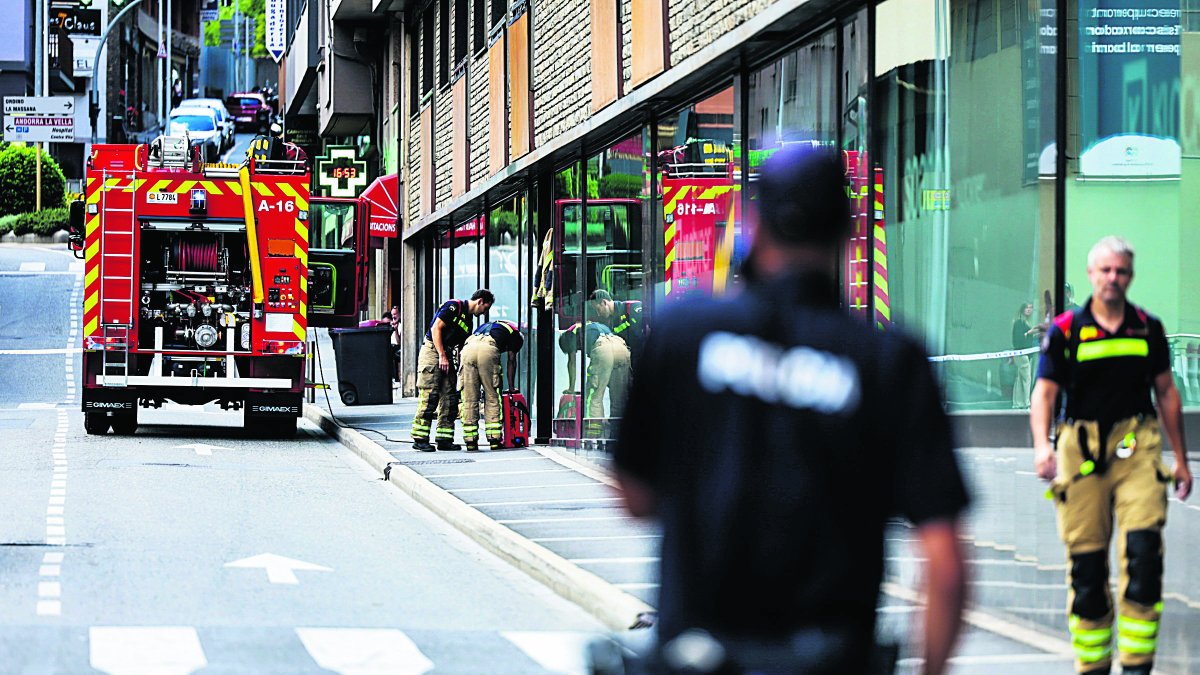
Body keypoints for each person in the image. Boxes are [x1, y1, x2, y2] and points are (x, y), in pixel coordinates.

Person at [611, 146, 969, 674]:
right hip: (829, 657)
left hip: (700, 652)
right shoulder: (888, 361)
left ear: (753, 224)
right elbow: (945, 564)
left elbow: (634, 497)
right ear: (849, 230)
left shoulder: (682, 333)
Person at [1032, 236, 1192, 675]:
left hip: (1137, 446)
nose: (1112, 278)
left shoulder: (1148, 328)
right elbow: (1044, 394)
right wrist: (1042, 446)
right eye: (1104, 270)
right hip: (1080, 450)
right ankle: (1094, 666)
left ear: (1130, 276)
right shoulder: (1066, 330)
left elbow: (1167, 394)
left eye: (1120, 271)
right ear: (1091, 275)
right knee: (1087, 572)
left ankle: (1137, 666)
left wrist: (1181, 459)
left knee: (1143, 557)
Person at [411, 290, 494, 451]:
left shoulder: (468, 322)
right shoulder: (453, 307)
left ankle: (444, 439)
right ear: (480, 301)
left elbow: (461, 347)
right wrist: (442, 355)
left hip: (447, 354)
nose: (484, 313)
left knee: (449, 398)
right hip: (433, 352)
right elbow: (436, 329)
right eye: (485, 308)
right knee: (430, 395)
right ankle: (420, 438)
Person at [559, 315, 631, 438]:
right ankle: (617, 433)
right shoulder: (590, 325)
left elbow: (572, 362)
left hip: (603, 348)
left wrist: (571, 388)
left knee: (594, 396)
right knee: (619, 397)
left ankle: (593, 434)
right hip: (621, 347)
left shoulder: (570, 332)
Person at [459, 319, 525, 451]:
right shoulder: (515, 334)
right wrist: (511, 387)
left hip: (468, 348)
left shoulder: (488, 326)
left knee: (469, 398)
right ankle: (494, 439)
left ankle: (470, 441)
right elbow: (511, 360)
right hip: (487, 349)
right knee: (492, 396)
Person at [589, 289, 644, 363]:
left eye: (598, 309)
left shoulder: (632, 307)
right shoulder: (611, 322)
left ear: (604, 302)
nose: (598, 314)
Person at [1011, 302, 1039, 409]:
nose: (1029, 310)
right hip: (1021, 353)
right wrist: (1029, 333)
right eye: (1027, 308)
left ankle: (1017, 402)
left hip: (1024, 354)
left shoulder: (1026, 322)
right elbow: (1018, 340)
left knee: (1020, 378)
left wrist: (1033, 333)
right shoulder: (1019, 323)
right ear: (1023, 309)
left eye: (1031, 308)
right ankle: (1026, 402)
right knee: (1027, 378)